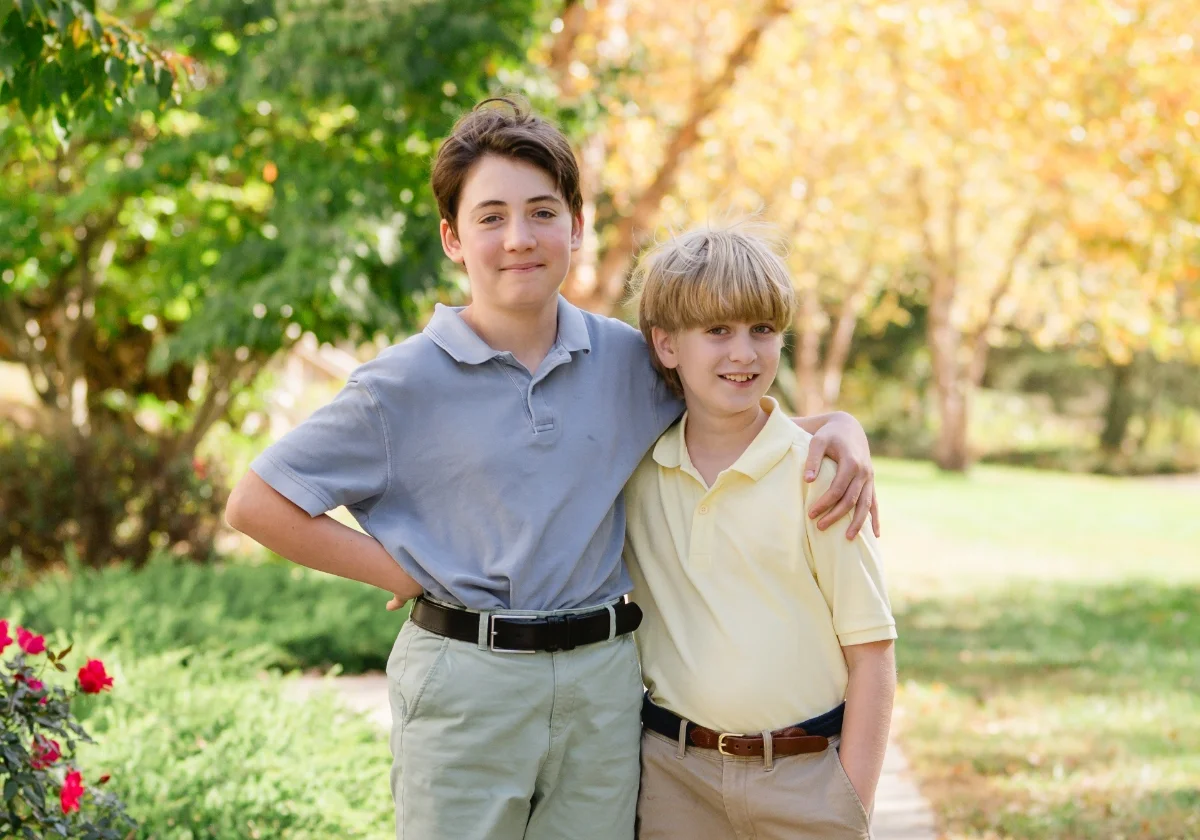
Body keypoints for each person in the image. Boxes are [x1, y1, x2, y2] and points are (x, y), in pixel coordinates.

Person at [224, 98, 880, 840]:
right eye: (491, 217)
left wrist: (841, 429)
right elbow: (256, 503)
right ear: (452, 237)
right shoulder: (398, 386)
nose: (519, 238)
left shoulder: (630, 360)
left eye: (542, 212)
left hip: (602, 685)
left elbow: (734, 406)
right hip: (467, 681)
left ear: (576, 226)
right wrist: (398, 572)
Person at [625, 223, 897, 840]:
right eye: (717, 331)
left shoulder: (821, 475)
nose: (743, 354)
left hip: (806, 783)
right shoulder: (638, 473)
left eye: (762, 330)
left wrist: (849, 803)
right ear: (667, 345)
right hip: (675, 780)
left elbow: (872, 653)